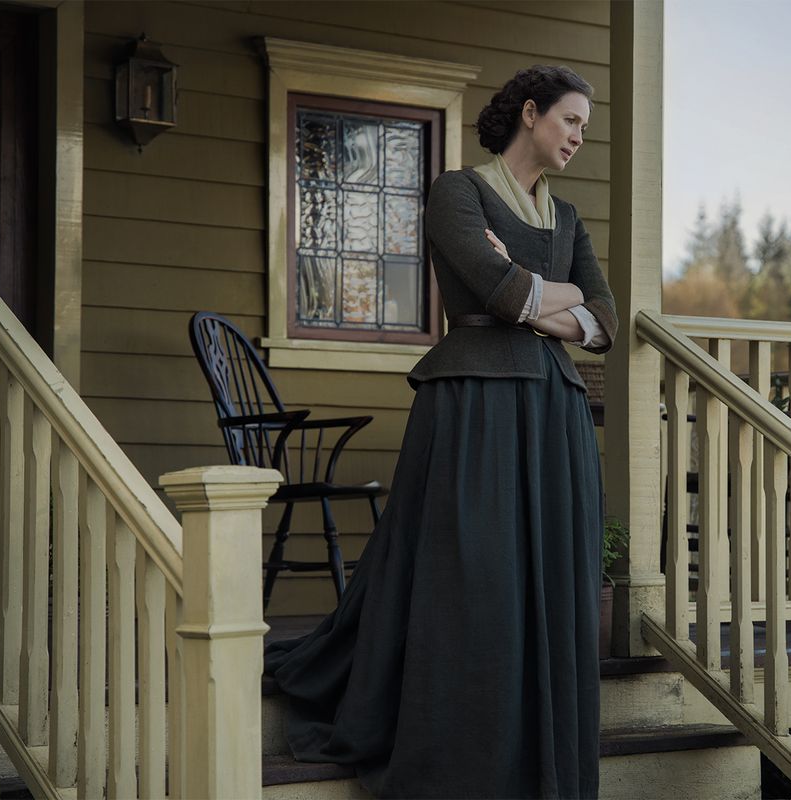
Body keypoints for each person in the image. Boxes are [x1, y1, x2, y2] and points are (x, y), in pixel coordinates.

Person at [265, 65, 616, 799]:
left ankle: (539, 763)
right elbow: (494, 289)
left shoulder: (571, 218)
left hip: (553, 411)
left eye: (585, 124)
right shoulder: (456, 191)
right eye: (572, 120)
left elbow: (601, 322)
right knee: (476, 582)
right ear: (530, 113)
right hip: (474, 406)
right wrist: (544, 296)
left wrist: (533, 291)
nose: (581, 136)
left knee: (551, 585)